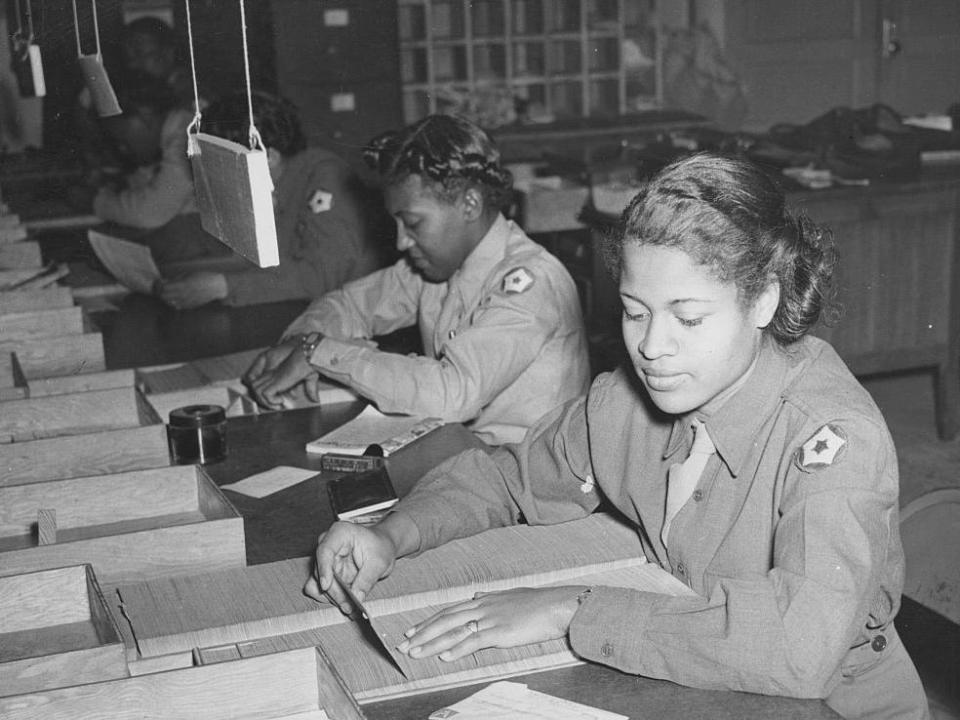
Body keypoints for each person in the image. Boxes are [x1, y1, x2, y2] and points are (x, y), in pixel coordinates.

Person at [305, 153, 930, 719]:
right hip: (703, 678)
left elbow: (799, 648)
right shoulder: (627, 399)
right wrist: (390, 533)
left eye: (688, 317)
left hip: (835, 704)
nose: (652, 348)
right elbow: (506, 477)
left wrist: (573, 608)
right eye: (635, 313)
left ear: (764, 300)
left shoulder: (832, 437)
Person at [244, 114, 590, 445]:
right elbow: (349, 304)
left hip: (533, 482)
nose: (401, 242)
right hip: (468, 456)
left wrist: (320, 352)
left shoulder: (531, 283)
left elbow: (452, 393)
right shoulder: (437, 267)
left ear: (469, 204)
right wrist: (301, 342)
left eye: (412, 223)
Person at [154, 91, 387, 308]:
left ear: (269, 158)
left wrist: (223, 286)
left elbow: (322, 276)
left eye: (225, 165)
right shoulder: (273, 182)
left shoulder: (325, 178)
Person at [82, 67, 196, 230]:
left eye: (123, 139)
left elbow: (150, 213)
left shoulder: (185, 138)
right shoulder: (173, 130)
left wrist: (95, 202)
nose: (122, 148)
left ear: (145, 115)